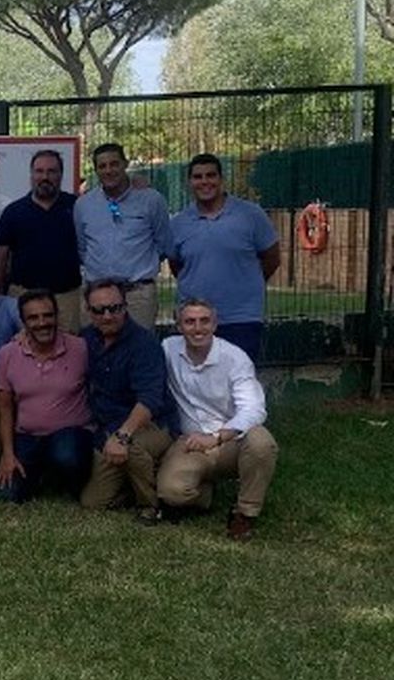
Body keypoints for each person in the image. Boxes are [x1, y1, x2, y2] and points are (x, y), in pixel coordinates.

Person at [157, 299, 279, 540]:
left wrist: (217, 437)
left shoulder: (234, 357)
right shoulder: (168, 349)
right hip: (190, 441)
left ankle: (245, 512)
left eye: (204, 321)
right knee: (171, 493)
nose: (198, 328)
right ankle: (206, 493)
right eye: (189, 322)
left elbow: (254, 409)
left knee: (262, 443)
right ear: (178, 326)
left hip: (230, 440)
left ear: (215, 324)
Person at [80, 279, 178, 521]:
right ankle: (148, 475)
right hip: (109, 426)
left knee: (131, 447)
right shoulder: (87, 338)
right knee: (93, 502)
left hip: (152, 424)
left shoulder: (144, 344)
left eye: (114, 308)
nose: (107, 316)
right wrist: (24, 337)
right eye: (99, 310)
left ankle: (151, 506)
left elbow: (150, 399)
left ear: (125, 307)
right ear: (89, 312)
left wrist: (123, 436)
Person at [168, 154, 280, 365]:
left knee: (239, 382)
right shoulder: (178, 223)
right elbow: (177, 266)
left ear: (221, 179)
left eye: (211, 175)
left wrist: (247, 283)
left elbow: (272, 258)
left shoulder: (251, 215)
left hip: (241, 317)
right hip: (196, 321)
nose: (205, 182)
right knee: (198, 382)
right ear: (189, 182)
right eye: (198, 177)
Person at [0, 289, 93, 503]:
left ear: (57, 316)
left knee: (66, 455)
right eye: (33, 318)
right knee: (7, 494)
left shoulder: (80, 348)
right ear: (23, 321)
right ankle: (39, 476)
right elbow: (5, 408)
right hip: (26, 436)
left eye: (48, 315)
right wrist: (8, 455)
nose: (42, 322)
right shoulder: (7, 354)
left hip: (70, 435)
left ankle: (64, 481)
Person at [74, 143, 172, 330]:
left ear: (125, 164)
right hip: (98, 295)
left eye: (114, 164)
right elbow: (82, 247)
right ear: (95, 170)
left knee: (140, 352)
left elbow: (163, 244)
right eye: (102, 166)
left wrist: (139, 265)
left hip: (138, 295)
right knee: (97, 352)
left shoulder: (151, 200)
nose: (109, 170)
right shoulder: (83, 205)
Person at [0, 149, 83, 334]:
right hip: (23, 296)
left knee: (69, 350)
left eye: (51, 171)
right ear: (32, 174)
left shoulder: (77, 207)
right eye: (39, 171)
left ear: (61, 174)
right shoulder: (13, 212)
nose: (45, 176)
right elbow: (1, 255)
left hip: (67, 297)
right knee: (24, 350)